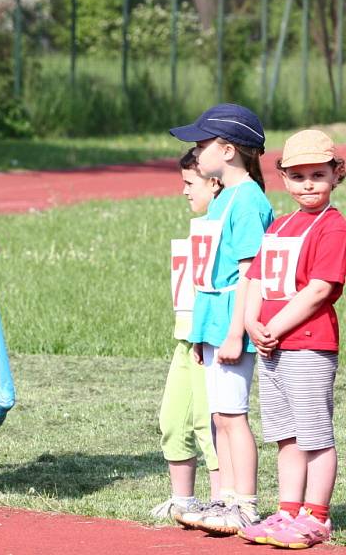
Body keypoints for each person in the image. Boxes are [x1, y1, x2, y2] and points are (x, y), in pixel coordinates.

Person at [168, 103, 274, 534]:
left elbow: (251, 271)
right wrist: (200, 334)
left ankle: (244, 504)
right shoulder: (223, 198)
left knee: (232, 415)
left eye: (202, 143)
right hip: (212, 322)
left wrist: (235, 332)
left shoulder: (247, 199)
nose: (197, 150)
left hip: (232, 321)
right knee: (218, 415)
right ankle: (225, 499)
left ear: (228, 150)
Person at [240, 129, 346, 549]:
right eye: (298, 175)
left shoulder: (333, 227)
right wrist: (251, 323)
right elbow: (255, 280)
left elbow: (320, 287)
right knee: (286, 434)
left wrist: (275, 326)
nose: (307, 184)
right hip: (272, 345)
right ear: (283, 178)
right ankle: (288, 510)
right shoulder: (280, 225)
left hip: (307, 343)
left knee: (314, 433)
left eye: (318, 174)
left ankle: (316, 516)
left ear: (337, 175)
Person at [150, 149, 221, 523]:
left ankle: (224, 501)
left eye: (189, 184)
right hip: (186, 337)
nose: (184, 192)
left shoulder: (227, 223)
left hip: (209, 338)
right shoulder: (201, 226)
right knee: (173, 418)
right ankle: (184, 500)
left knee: (209, 422)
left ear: (214, 182)